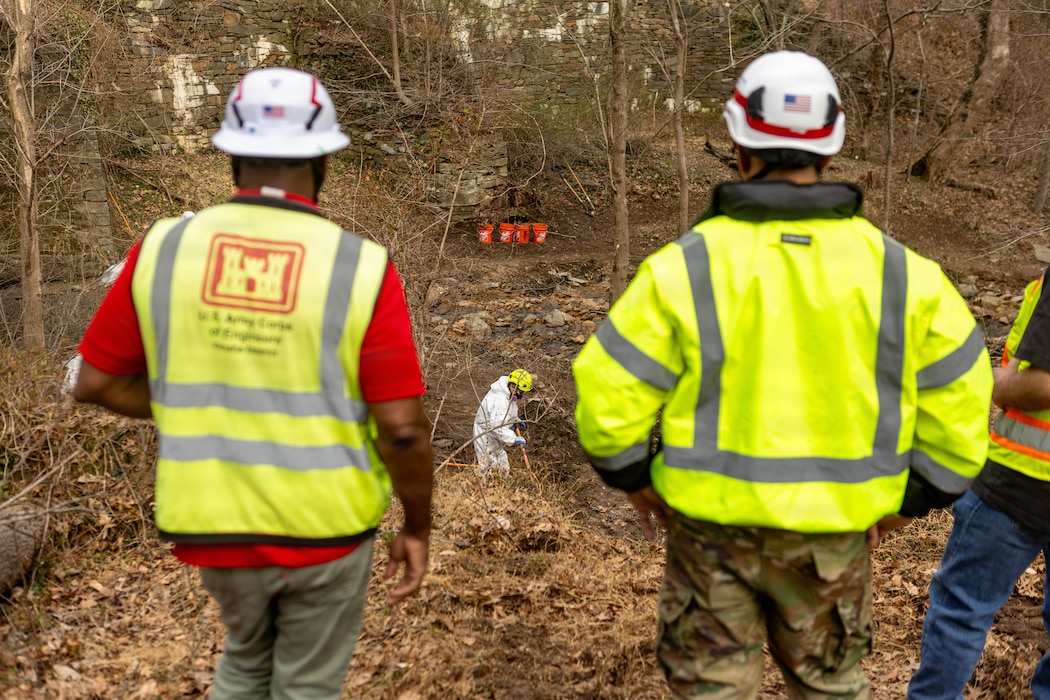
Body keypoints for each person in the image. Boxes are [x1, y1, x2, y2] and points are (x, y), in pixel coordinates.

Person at [572, 50, 993, 699]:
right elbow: (963, 410)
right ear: (832, 153)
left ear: (740, 149)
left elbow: (608, 393)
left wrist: (633, 477)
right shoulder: (909, 280)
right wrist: (905, 506)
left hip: (708, 539)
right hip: (835, 542)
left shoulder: (683, 268)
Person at [72, 67, 434, 700]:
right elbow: (401, 431)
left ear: (230, 152)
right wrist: (417, 526)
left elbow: (95, 382)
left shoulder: (163, 248)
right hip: (325, 529)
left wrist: (195, 405)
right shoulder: (360, 266)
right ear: (324, 157)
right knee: (304, 685)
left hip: (214, 526)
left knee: (245, 659)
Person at [908, 271, 1050, 700]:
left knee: (961, 612)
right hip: (1021, 479)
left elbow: (1042, 384)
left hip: (1019, 482)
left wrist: (993, 380)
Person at [472, 368, 532, 475]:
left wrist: (514, 420)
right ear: (513, 386)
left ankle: (504, 481)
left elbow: (506, 413)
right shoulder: (500, 400)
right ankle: (488, 486)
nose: (521, 395)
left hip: (492, 430)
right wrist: (514, 438)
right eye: (521, 392)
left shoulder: (506, 392)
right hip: (485, 433)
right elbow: (498, 426)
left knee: (501, 458)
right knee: (489, 463)